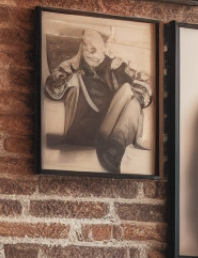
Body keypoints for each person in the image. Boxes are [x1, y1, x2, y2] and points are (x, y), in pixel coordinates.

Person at [43, 25, 153, 174]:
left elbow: (146, 90)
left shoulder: (117, 66)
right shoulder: (72, 67)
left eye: (93, 45)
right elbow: (53, 91)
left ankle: (114, 148)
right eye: (85, 44)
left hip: (108, 131)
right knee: (129, 92)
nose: (89, 50)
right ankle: (113, 150)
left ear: (105, 45)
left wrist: (136, 85)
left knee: (130, 92)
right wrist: (72, 65)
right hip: (82, 132)